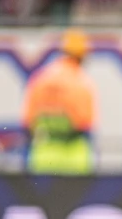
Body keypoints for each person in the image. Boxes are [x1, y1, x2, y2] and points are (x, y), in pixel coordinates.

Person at [22, 29, 97, 175]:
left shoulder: (40, 79)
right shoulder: (82, 83)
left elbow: (27, 122)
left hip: (43, 157)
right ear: (82, 56)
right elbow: (85, 124)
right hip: (74, 159)